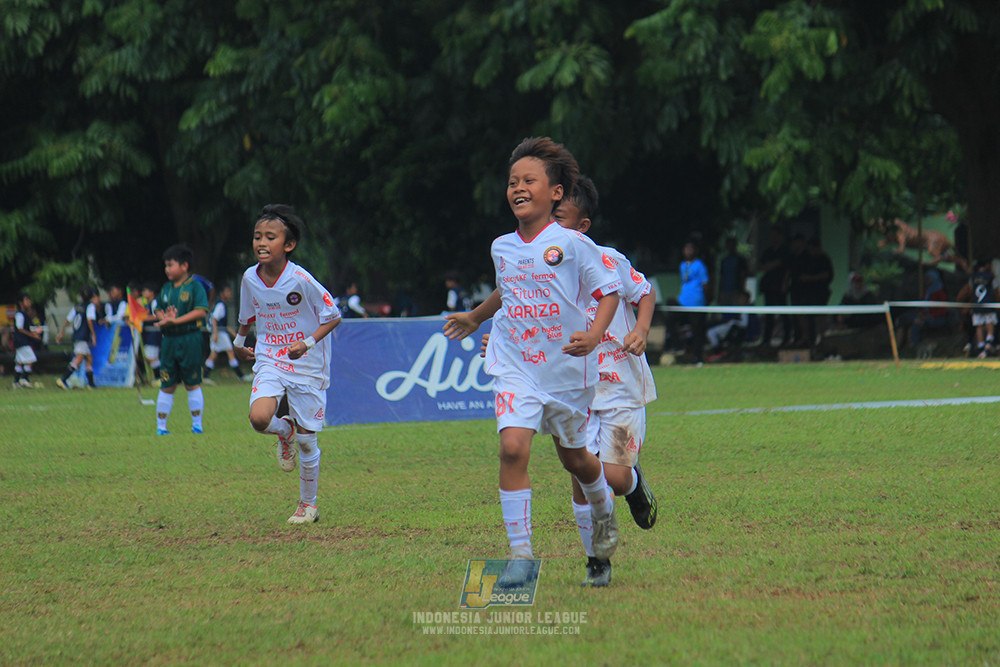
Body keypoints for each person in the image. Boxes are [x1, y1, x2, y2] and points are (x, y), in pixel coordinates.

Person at [442, 137, 622, 587]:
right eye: (512, 182)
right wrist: (476, 317)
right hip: (515, 366)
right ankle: (521, 558)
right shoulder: (502, 246)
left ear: (555, 192)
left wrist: (596, 334)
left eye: (529, 180)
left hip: (565, 373)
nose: (518, 188)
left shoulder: (573, 244)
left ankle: (602, 527)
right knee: (512, 447)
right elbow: (510, 291)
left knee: (578, 461)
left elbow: (609, 292)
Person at [233, 204, 341, 525]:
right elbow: (246, 316)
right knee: (259, 418)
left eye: (270, 237)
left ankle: (308, 506)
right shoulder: (250, 277)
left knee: (308, 441)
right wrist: (239, 344)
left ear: (288, 245)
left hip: (307, 364)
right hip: (270, 357)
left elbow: (332, 316)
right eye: (257, 237)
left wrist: (306, 343)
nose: (261, 243)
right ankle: (285, 431)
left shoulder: (301, 279)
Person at [153, 244, 210, 435]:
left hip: (190, 339)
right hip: (169, 340)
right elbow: (158, 309)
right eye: (166, 265)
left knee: (192, 382)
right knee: (166, 383)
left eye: (171, 265)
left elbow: (201, 311)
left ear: (184, 266)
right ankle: (161, 428)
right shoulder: (166, 288)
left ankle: (197, 425)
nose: (167, 269)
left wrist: (176, 321)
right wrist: (164, 319)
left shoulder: (195, 287)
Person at [666, 239, 709, 363]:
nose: (688, 251)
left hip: (696, 303)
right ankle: (677, 345)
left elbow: (705, 284)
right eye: (686, 249)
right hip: (683, 301)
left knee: (697, 331)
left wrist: (705, 300)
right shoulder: (682, 265)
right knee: (670, 318)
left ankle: (697, 357)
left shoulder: (700, 265)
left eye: (690, 249)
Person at [56, 286, 100, 389]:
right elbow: (89, 320)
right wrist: (93, 334)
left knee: (89, 358)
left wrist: (61, 332)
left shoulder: (77, 306)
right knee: (79, 359)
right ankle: (63, 379)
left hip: (77, 336)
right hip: (83, 337)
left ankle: (91, 384)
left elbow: (68, 319)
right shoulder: (90, 307)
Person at [203, 285, 248, 382]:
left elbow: (224, 323)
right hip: (220, 333)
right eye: (227, 291)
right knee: (230, 352)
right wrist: (215, 334)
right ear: (222, 293)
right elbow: (214, 319)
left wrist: (235, 334)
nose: (229, 294)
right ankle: (241, 376)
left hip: (220, 332)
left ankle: (205, 376)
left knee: (213, 354)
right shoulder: (220, 305)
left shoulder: (222, 304)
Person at [759, 226, 792, 347]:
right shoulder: (768, 251)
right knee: (769, 313)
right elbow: (761, 266)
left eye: (775, 235)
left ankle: (787, 337)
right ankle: (766, 339)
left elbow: (787, 268)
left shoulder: (785, 251)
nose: (773, 238)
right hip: (769, 286)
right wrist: (772, 265)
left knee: (783, 312)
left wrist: (784, 283)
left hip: (780, 286)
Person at [12, 293, 43, 388]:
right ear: (21, 303)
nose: (29, 302)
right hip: (21, 341)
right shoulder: (20, 314)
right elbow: (20, 328)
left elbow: (27, 327)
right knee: (31, 359)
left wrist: (35, 330)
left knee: (20, 362)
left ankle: (16, 382)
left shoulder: (26, 314)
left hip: (21, 341)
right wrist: (33, 335)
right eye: (26, 300)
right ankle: (24, 379)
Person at [968, 259, 998, 358]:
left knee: (979, 326)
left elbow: (971, 289)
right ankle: (988, 343)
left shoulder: (973, 277)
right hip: (988, 304)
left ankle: (980, 346)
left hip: (977, 305)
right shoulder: (990, 276)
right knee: (990, 323)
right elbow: (995, 289)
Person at [140, 283, 163, 381]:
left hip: (154, 333)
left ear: (151, 293)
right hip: (148, 333)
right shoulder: (147, 304)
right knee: (152, 356)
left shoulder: (154, 303)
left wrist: (143, 318)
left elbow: (157, 316)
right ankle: (158, 377)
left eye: (145, 291)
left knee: (151, 356)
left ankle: (159, 377)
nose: (143, 293)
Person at [717, 237, 748, 306]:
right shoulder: (724, 261)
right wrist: (719, 292)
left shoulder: (740, 260)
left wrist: (741, 291)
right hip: (725, 291)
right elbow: (722, 277)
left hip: (736, 291)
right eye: (729, 245)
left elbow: (742, 276)